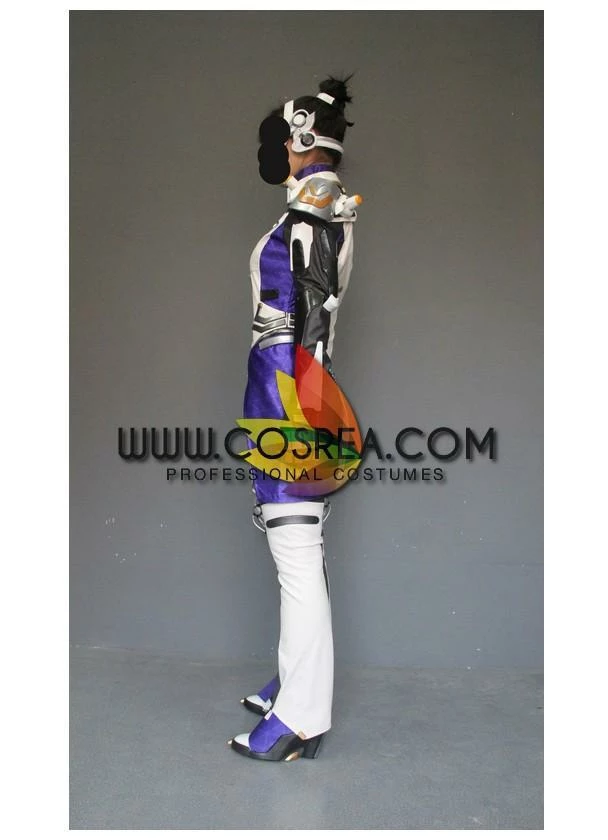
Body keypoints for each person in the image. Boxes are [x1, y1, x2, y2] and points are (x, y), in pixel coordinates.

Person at [228, 75, 360, 762]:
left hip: (291, 394)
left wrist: (296, 418)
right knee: (297, 548)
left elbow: (310, 318)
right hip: (284, 387)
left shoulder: (315, 210)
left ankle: (301, 718)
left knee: (296, 552)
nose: (274, 150)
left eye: (282, 139)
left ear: (301, 138)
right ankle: (295, 679)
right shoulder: (316, 208)